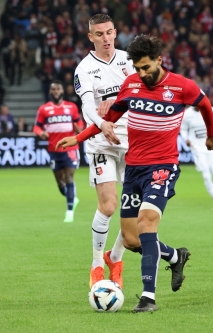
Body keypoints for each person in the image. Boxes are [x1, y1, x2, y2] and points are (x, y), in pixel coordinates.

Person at [56, 35, 213, 312]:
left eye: (146, 67)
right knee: (132, 240)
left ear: (159, 60)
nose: (141, 74)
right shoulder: (131, 84)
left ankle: (148, 298)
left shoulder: (182, 86)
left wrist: (212, 134)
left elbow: (204, 104)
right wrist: (79, 137)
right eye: (137, 68)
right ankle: (174, 256)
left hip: (163, 167)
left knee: (146, 224)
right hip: (134, 168)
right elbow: (109, 120)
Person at [72, 14, 136, 291]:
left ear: (115, 32)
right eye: (100, 34)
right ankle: (97, 262)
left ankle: (116, 258)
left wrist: (116, 100)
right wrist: (102, 123)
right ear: (91, 37)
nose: (106, 38)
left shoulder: (129, 60)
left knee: (134, 211)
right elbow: (87, 106)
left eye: (109, 32)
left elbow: (143, 92)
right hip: (101, 140)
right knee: (109, 205)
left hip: (133, 140)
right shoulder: (84, 68)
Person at [33, 80, 83, 223]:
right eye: (53, 89)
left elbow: (79, 122)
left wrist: (80, 128)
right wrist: (41, 133)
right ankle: (72, 198)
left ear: (62, 91)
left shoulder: (71, 107)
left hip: (70, 149)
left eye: (58, 89)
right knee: (60, 183)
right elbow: (36, 127)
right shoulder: (44, 109)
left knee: (69, 178)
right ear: (50, 92)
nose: (55, 91)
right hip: (54, 150)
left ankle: (69, 212)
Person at [181, 105, 213, 209]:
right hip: (197, 149)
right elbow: (183, 129)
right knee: (206, 176)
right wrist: (186, 139)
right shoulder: (187, 114)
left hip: (212, 147)